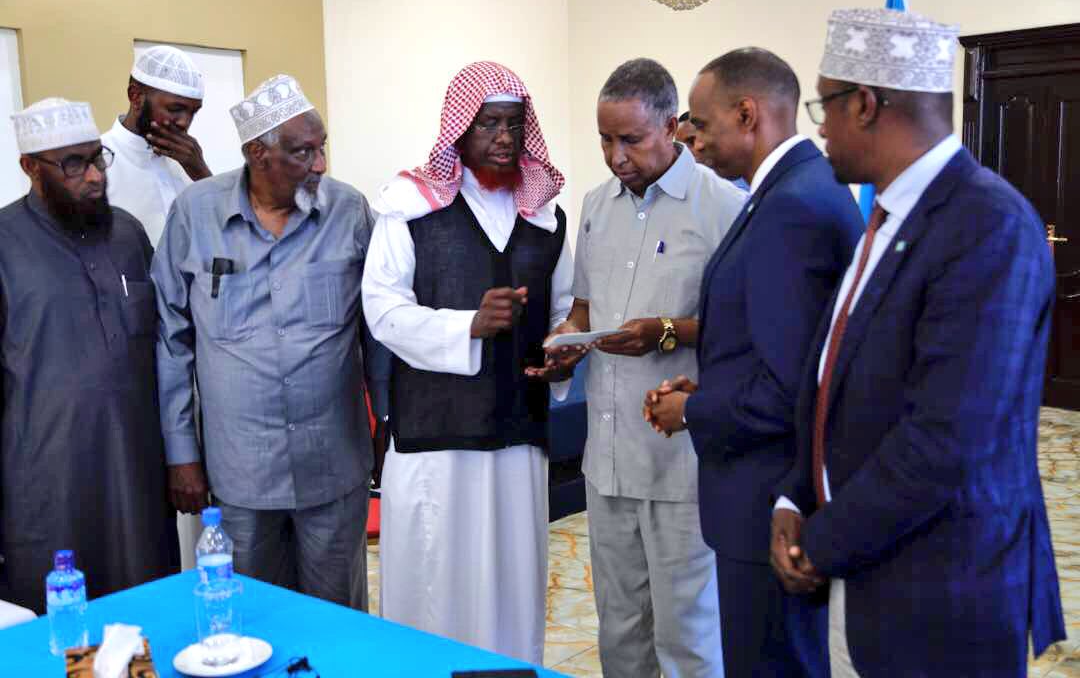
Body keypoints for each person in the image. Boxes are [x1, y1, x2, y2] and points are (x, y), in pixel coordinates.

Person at [770, 8, 1066, 676]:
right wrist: (796, 496)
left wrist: (821, 541)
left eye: (825, 106)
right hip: (864, 574)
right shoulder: (886, 216)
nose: (820, 128)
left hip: (942, 594)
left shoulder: (987, 225)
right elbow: (837, 384)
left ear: (865, 104)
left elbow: (947, 440)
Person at [645, 48, 863, 677]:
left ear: (746, 114)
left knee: (769, 664)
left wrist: (693, 410)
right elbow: (774, 344)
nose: (692, 141)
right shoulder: (792, 189)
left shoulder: (790, 207)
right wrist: (708, 386)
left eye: (701, 124)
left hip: (767, 493)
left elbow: (790, 386)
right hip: (768, 486)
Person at [362, 61, 572, 664]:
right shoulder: (410, 206)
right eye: (488, 124)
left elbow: (564, 312)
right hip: (436, 441)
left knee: (511, 592)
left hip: (517, 440)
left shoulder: (546, 217)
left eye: (514, 124)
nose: (504, 137)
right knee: (435, 592)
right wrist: (467, 326)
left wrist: (563, 352)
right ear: (460, 128)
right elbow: (381, 309)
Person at [153, 75, 380, 609]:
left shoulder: (349, 211)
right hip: (241, 471)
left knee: (337, 619)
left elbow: (378, 328)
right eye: (303, 152)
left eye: (322, 147)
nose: (320, 164)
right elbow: (171, 340)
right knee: (251, 617)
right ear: (258, 154)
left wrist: (387, 421)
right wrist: (182, 453)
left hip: (333, 463)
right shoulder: (195, 213)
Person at [546, 58, 740, 677]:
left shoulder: (724, 207)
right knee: (621, 629)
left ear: (671, 126)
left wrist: (666, 332)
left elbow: (751, 331)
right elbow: (584, 307)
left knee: (687, 635)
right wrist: (568, 340)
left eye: (630, 139)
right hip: (606, 457)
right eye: (604, 139)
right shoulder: (595, 206)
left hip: (681, 460)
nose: (616, 156)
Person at [0, 98, 178, 613]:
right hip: (45, 479)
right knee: (62, 624)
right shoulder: (5, 243)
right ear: (30, 168)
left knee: (146, 610)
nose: (96, 176)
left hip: (138, 472)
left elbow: (165, 346)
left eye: (98, 157)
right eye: (74, 164)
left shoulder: (128, 234)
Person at [102, 45, 211, 246]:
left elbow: (224, 228)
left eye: (193, 112)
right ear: (136, 97)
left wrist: (202, 174)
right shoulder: (98, 161)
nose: (184, 122)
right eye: (175, 109)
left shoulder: (189, 160)